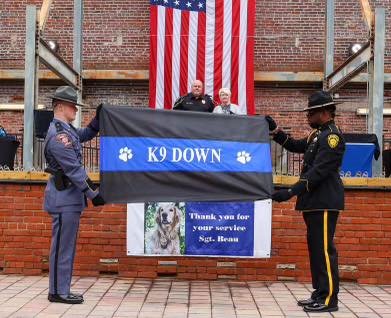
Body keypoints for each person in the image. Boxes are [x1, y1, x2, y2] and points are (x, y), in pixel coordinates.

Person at [266, 90, 345, 313]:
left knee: (324, 250)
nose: (307, 117)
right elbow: (294, 145)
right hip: (314, 201)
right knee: (315, 250)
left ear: (324, 112)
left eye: (311, 113)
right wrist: (275, 131)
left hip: (325, 201)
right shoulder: (316, 135)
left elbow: (317, 173)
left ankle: (329, 299)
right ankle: (319, 293)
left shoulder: (332, 137)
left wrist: (290, 191)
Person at [43, 86, 105, 304]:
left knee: (65, 247)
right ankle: (58, 292)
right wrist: (93, 193)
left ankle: (59, 289)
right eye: (72, 106)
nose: (76, 110)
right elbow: (74, 170)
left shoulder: (67, 131)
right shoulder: (59, 136)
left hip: (68, 198)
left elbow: (86, 134)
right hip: (63, 198)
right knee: (62, 248)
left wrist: (98, 119)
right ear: (60, 106)